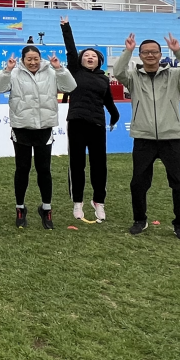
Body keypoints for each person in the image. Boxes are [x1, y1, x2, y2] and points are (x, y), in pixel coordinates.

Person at [113, 33, 180, 241]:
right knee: (138, 183)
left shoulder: (175, 75)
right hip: (143, 137)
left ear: (161, 54)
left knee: (179, 183)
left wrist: (178, 51)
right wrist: (128, 51)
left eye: (154, 52)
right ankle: (140, 220)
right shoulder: (133, 77)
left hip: (172, 137)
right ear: (140, 55)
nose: (150, 55)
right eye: (145, 52)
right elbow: (117, 72)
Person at [0, 46, 76, 229]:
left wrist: (60, 68)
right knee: (22, 169)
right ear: (22, 60)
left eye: (36, 58)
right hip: (21, 127)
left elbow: (70, 87)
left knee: (44, 169)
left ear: (40, 58)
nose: (33, 62)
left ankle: (46, 209)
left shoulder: (51, 72)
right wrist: (7, 70)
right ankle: (20, 208)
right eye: (29, 59)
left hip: (44, 127)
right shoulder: (14, 73)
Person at [60, 18, 119, 222]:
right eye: (86, 55)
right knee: (77, 164)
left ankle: (98, 201)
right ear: (81, 60)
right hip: (76, 122)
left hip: (97, 124)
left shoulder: (103, 78)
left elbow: (108, 101)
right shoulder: (75, 72)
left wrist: (115, 116)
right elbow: (71, 49)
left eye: (93, 56)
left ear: (99, 60)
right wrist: (66, 27)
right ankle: (78, 202)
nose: (90, 57)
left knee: (99, 165)